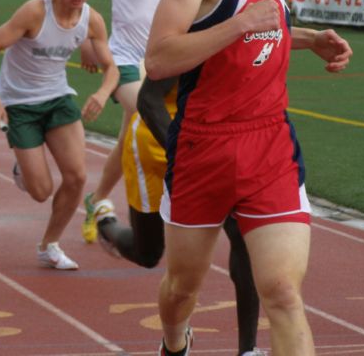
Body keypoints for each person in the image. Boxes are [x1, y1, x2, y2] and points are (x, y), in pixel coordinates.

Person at [144, 0, 352, 356]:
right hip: (203, 149)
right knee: (181, 290)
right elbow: (160, 59)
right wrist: (242, 23)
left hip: (269, 145)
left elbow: (264, 28)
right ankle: (175, 341)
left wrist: (307, 39)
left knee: (282, 291)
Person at [95, 74, 263, 356]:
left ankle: (249, 349)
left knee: (242, 235)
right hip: (155, 141)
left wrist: (312, 39)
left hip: (219, 144)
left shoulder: (244, 33)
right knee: (148, 254)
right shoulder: (186, 33)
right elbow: (148, 99)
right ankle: (106, 224)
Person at [0, 0, 118, 271]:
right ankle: (23, 170)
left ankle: (49, 246)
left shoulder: (92, 20)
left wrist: (102, 92)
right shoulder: (35, 12)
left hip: (58, 98)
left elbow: (111, 68)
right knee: (40, 191)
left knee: (77, 176)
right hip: (20, 103)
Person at [80, 0, 177, 244]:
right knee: (148, 116)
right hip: (122, 60)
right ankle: (166, 201)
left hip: (159, 66)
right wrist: (86, 41)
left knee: (127, 140)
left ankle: (95, 200)